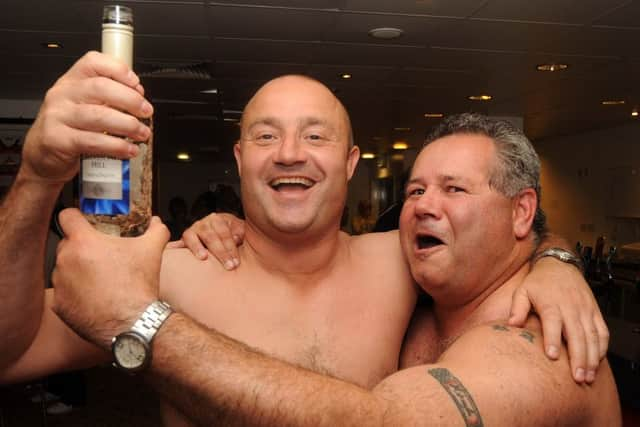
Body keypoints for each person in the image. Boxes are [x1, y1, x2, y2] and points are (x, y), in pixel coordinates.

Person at [0, 51, 605, 425]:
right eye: (266, 137)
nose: (290, 153)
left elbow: (494, 245)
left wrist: (556, 262)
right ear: (239, 161)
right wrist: (36, 178)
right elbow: (12, 350)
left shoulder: (401, 261)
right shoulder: (174, 271)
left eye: (315, 137)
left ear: (349, 162)